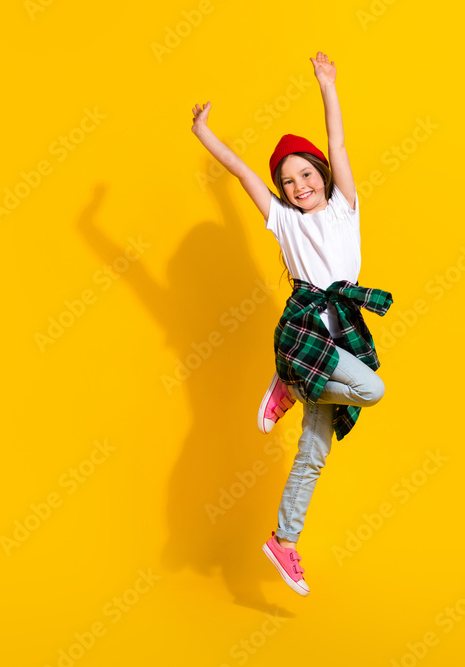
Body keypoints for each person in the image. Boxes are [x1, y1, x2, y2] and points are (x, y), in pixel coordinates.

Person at [190, 51, 393, 597]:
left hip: (336, 333)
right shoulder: (283, 221)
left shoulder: (345, 207)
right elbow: (240, 173)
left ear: (322, 173)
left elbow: (340, 143)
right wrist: (203, 132)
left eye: (306, 173)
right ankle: (290, 380)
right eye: (289, 180)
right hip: (303, 332)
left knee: (313, 450)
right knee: (371, 387)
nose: (299, 184)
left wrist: (328, 84)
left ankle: (284, 539)